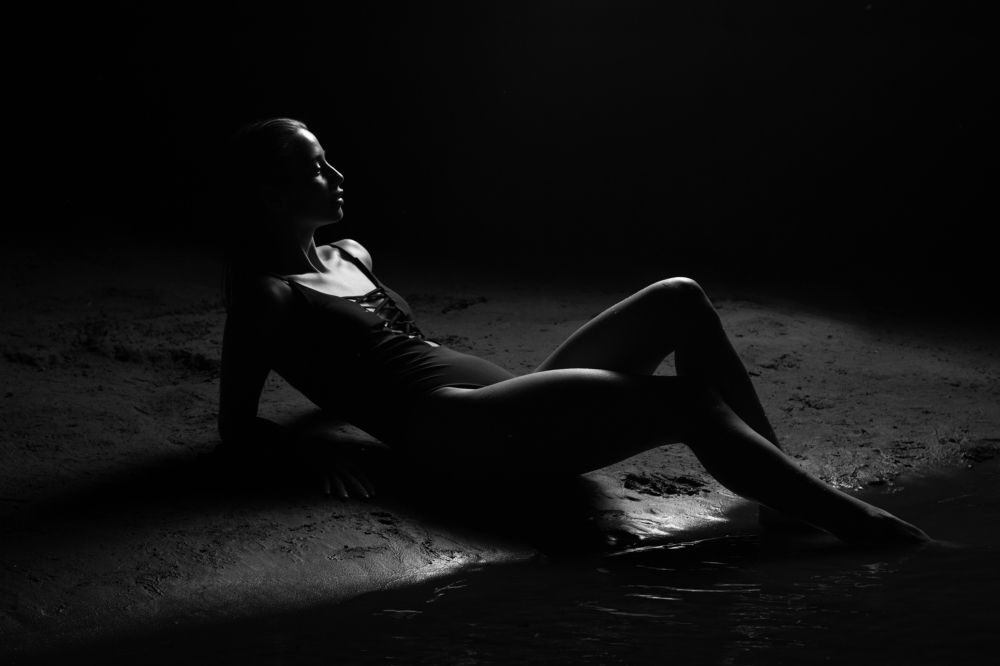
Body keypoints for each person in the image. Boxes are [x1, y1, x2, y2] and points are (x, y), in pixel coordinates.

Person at [217, 117, 929, 546]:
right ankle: (861, 525)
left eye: (328, 159)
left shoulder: (352, 254)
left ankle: (781, 503)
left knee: (679, 297)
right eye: (315, 168)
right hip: (453, 433)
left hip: (504, 403)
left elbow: (348, 370)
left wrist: (329, 411)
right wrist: (308, 455)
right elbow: (236, 424)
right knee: (689, 402)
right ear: (273, 196)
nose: (336, 173)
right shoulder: (266, 293)